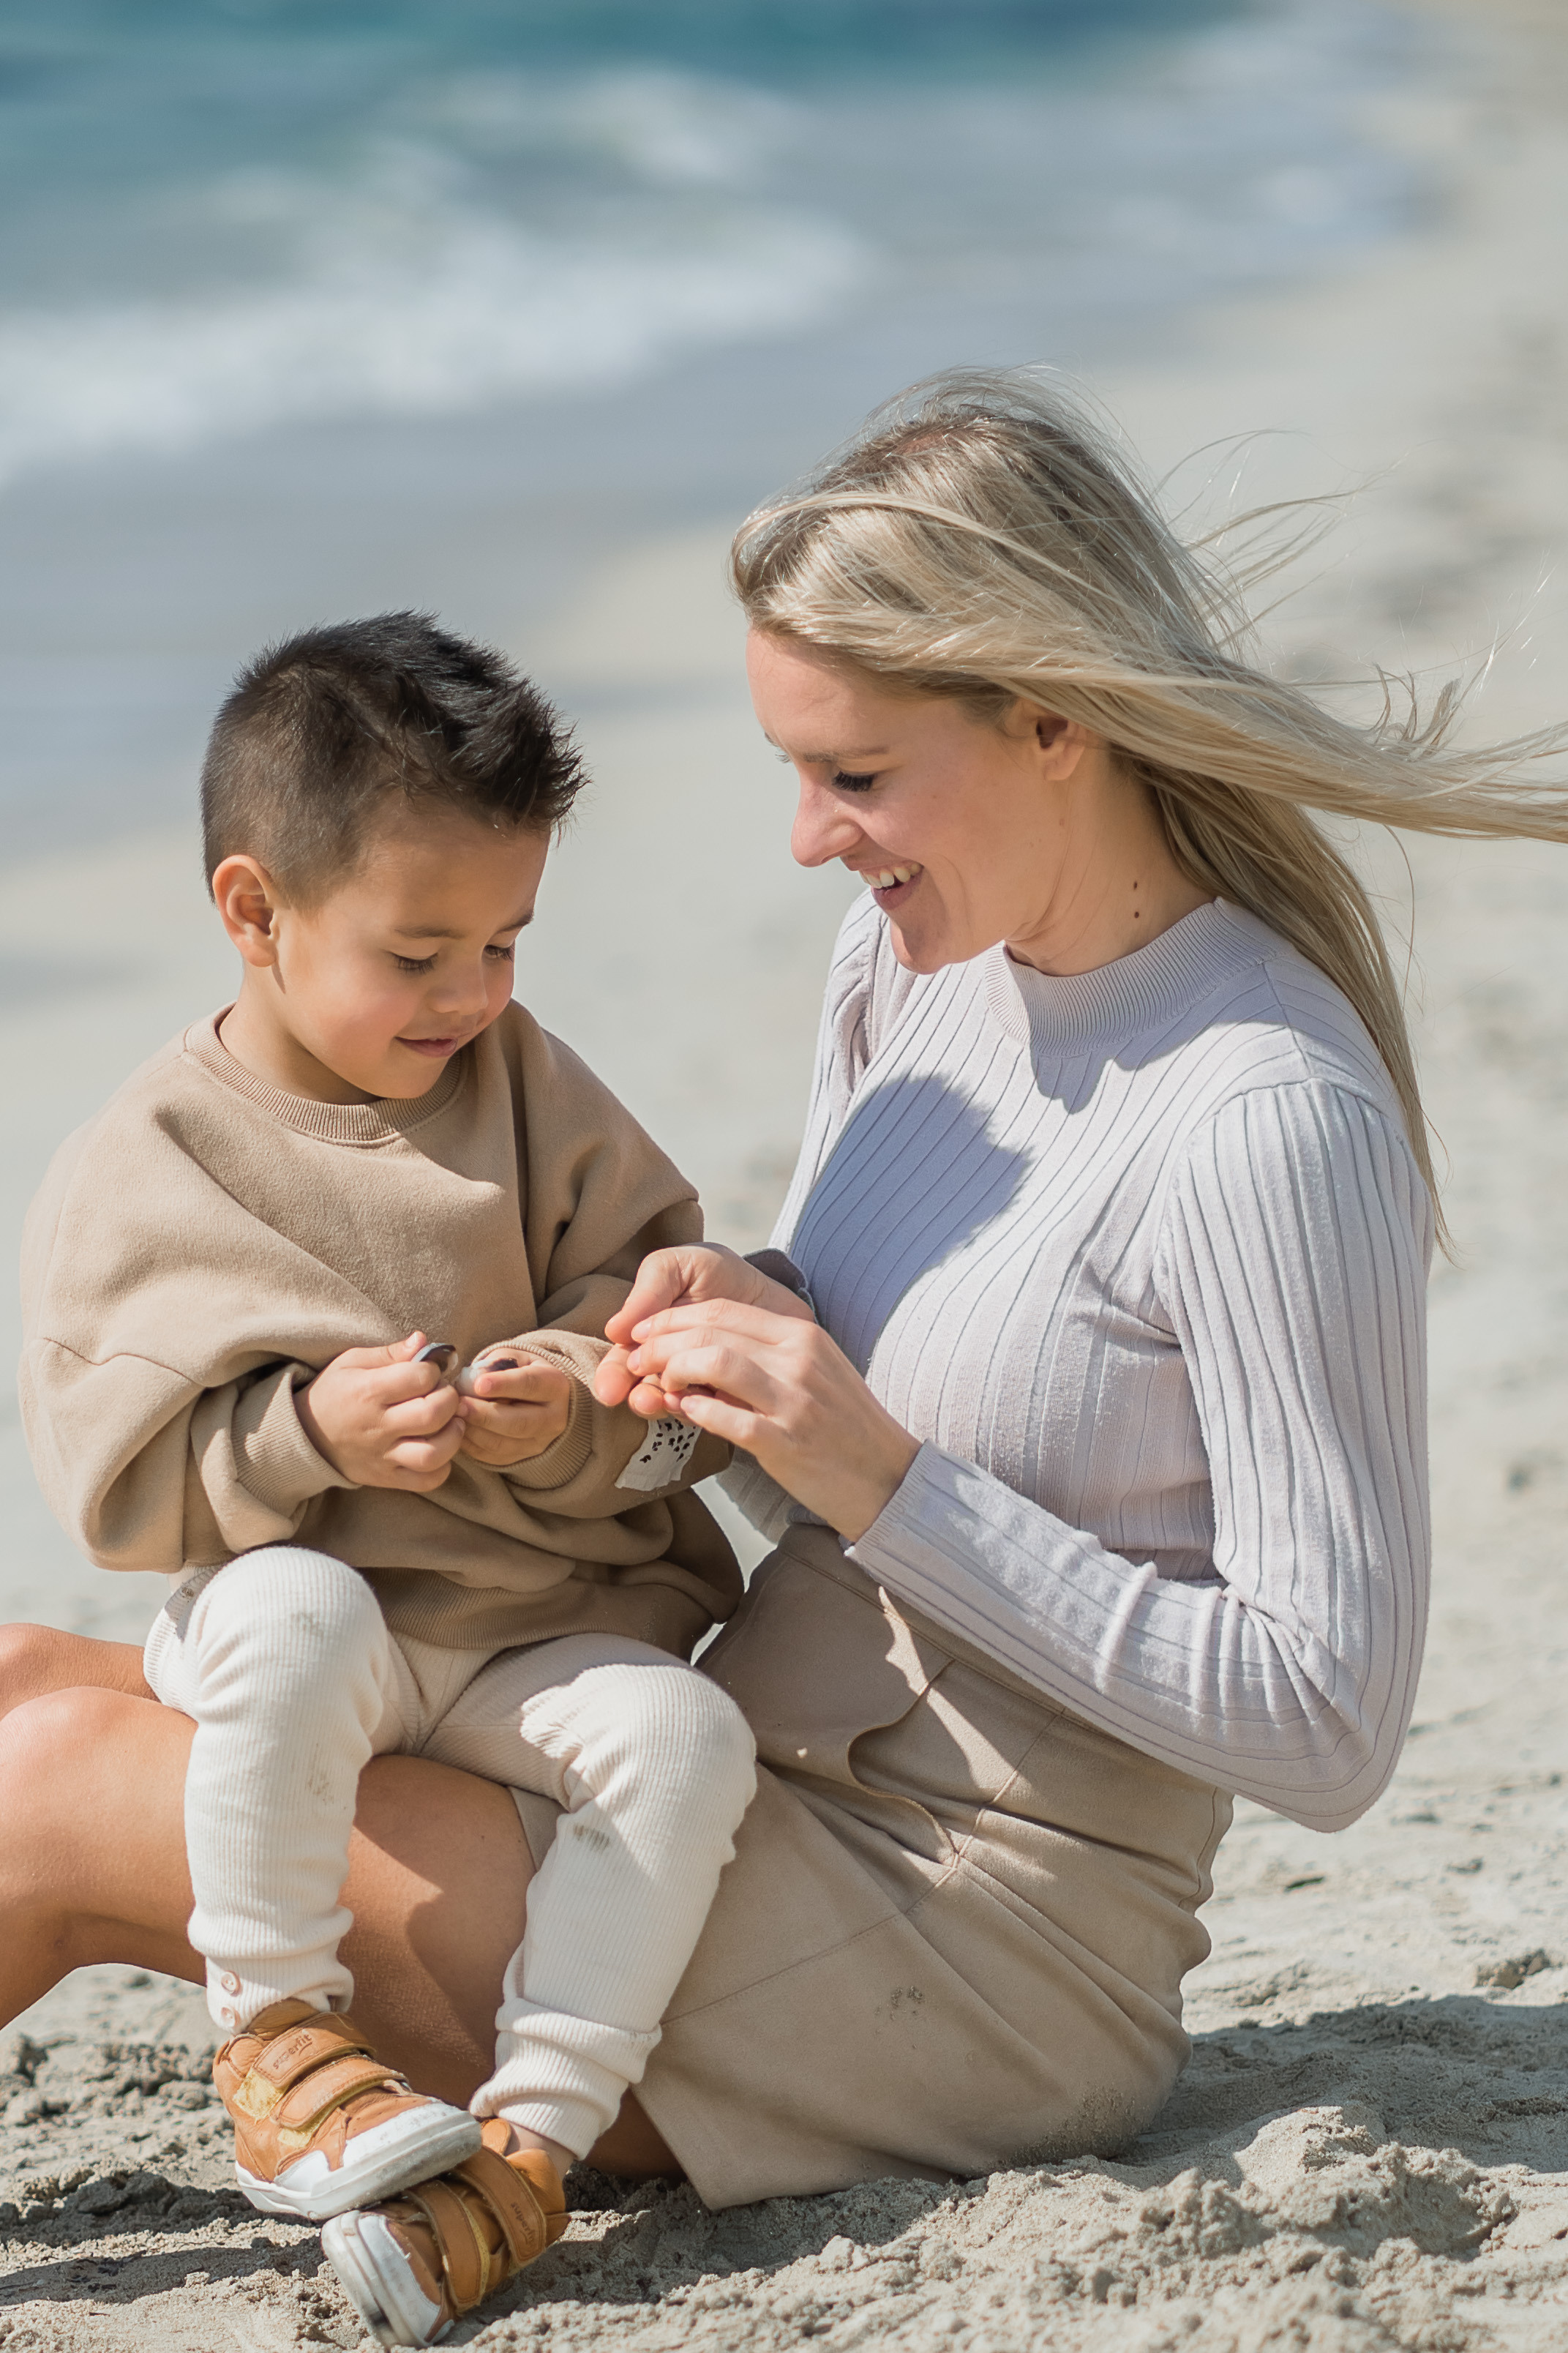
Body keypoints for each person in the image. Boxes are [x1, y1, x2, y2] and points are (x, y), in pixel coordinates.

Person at [2, 373, 1565, 2331]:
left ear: (1052, 718)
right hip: (726, 1758)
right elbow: (809, 1388)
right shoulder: (904, 975)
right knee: (15, 1682)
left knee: (52, 1796)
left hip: (970, 1935)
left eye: (855, 774)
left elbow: (1329, 1730)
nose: (812, 839)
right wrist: (664, 1356)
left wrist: (883, 1482)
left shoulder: (1258, 1114)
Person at [15, 615, 757, 2338]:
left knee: (683, 1732)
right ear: (254, 912)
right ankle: (279, 2032)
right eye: (421, 952)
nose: (474, 996)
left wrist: (563, 1398)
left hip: (521, 1640)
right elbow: (119, 1489)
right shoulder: (154, 1160)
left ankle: (535, 2137)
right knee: (289, 1604)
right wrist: (306, 1439)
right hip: (303, 1644)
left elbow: (649, 1310)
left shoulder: (527, 1087)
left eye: (505, 941)